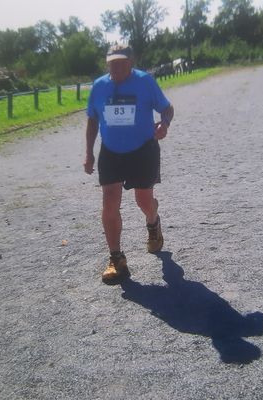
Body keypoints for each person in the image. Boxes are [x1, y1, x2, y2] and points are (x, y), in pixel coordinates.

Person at [83, 44, 175, 285]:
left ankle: (153, 222)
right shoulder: (99, 86)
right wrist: (89, 153)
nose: (116, 67)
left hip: (143, 150)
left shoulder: (145, 82)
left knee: (143, 201)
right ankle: (116, 258)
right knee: (109, 201)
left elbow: (167, 108)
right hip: (111, 152)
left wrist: (163, 123)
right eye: (112, 62)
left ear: (131, 63)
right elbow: (92, 120)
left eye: (121, 62)